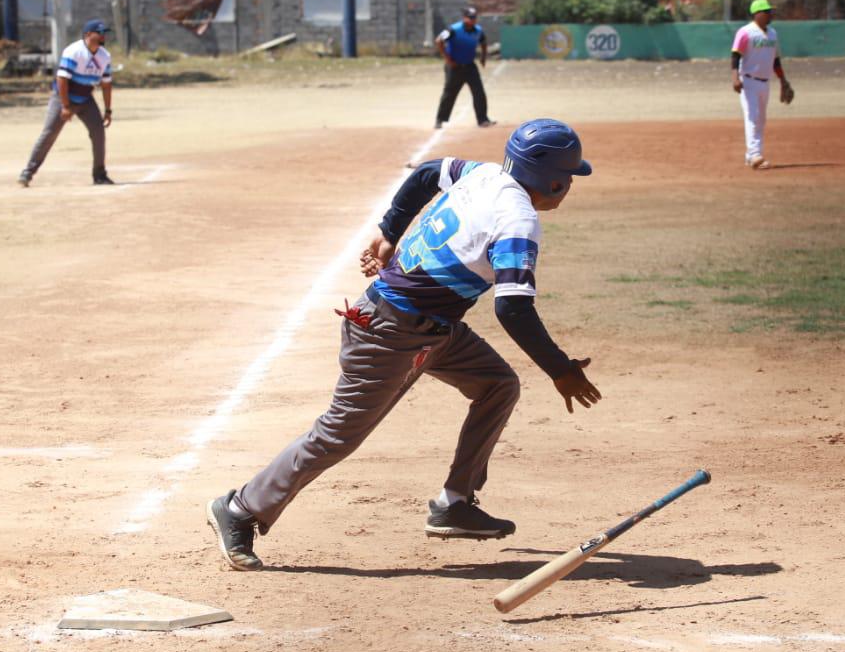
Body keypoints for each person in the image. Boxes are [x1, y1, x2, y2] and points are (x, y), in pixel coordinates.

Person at [206, 119, 602, 571]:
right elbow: (512, 309)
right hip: (389, 333)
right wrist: (560, 369)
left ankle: (454, 503)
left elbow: (427, 173)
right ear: (554, 180)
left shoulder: (486, 174)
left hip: (429, 329)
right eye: (569, 176)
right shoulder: (519, 221)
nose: (569, 184)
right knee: (337, 435)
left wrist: (390, 230)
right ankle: (239, 509)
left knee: (498, 384)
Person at [18, 19, 116, 187]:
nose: (102, 36)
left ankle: (99, 174)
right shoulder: (74, 51)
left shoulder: (104, 56)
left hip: (85, 98)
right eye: (99, 33)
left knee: (98, 132)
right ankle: (28, 172)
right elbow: (62, 79)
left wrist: (108, 110)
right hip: (63, 97)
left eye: (104, 33)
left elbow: (106, 84)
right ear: (87, 35)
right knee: (49, 133)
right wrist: (65, 106)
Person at [730, 0, 793, 170]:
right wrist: (735, 77)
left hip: (765, 82)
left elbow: (776, 60)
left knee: (761, 120)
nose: (770, 14)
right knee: (752, 117)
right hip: (748, 81)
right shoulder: (745, 32)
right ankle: (756, 155)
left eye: (770, 11)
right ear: (757, 14)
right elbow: (735, 55)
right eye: (767, 11)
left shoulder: (772, 33)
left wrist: (783, 81)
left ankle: (751, 155)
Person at [433, 6, 495, 129]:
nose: (472, 20)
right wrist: (448, 59)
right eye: (470, 17)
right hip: (454, 66)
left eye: (474, 18)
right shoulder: (453, 29)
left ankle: (483, 119)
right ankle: (440, 120)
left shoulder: (478, 31)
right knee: (449, 93)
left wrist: (483, 57)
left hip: (470, 66)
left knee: (479, 92)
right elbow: (439, 41)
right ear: (464, 18)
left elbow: (483, 42)